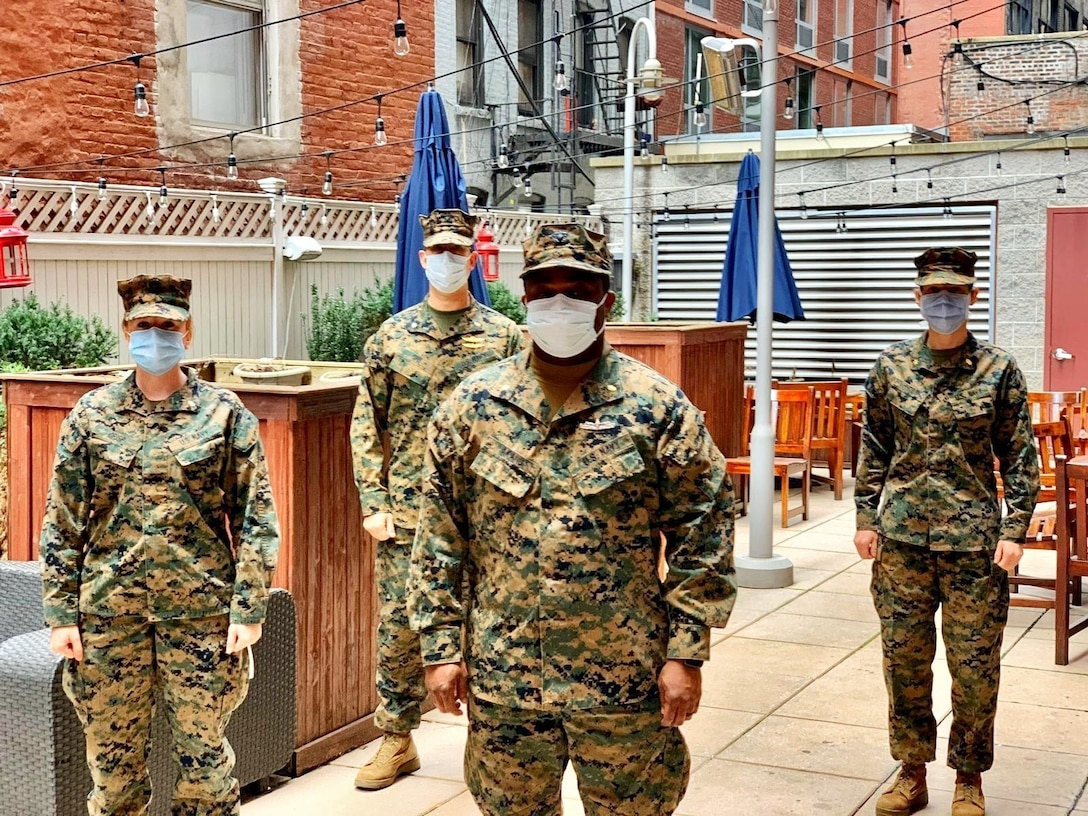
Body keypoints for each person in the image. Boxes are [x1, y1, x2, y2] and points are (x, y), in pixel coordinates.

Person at [407, 222, 737, 815]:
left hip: (624, 678)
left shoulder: (656, 407)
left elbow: (704, 534)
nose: (561, 302)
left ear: (606, 300)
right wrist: (438, 648)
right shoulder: (471, 407)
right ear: (524, 297)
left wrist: (687, 652)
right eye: (546, 289)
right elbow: (438, 541)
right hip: (505, 678)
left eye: (579, 289)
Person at [40, 275, 281, 816]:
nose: (155, 336)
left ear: (187, 333)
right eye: (143, 326)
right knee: (112, 767)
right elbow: (62, 522)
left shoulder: (223, 414)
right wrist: (60, 614)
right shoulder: (91, 415)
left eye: (167, 326)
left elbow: (255, 518)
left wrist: (249, 607)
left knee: (206, 766)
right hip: (108, 617)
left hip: (201, 616)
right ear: (126, 332)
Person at [854, 248, 1039, 816]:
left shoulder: (999, 369)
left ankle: (969, 779)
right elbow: (876, 446)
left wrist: (1014, 530)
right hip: (903, 543)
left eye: (954, 294)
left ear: (972, 298)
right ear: (917, 297)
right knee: (904, 663)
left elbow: (1021, 456)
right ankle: (911, 774)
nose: (943, 302)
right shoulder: (890, 368)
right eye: (934, 293)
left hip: (975, 548)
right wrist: (865, 516)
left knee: (975, 667)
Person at [350, 208, 525, 790]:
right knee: (399, 629)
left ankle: (493, 741)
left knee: (487, 626)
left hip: (484, 516)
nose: (449, 262)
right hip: (408, 514)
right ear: (423, 259)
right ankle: (396, 739)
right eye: (439, 253)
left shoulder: (503, 338)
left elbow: (524, 422)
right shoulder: (391, 338)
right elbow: (364, 424)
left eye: (459, 253)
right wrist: (373, 500)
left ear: (473, 261)